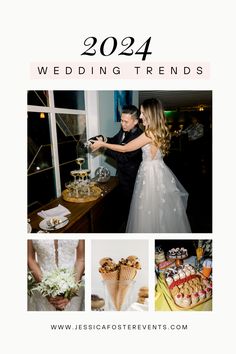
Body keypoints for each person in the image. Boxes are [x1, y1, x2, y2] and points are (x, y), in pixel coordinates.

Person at [91, 98, 191, 233]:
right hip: (157, 169)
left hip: (150, 174)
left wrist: (102, 144)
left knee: (147, 209)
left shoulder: (149, 133)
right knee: (158, 208)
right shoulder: (159, 130)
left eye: (143, 113)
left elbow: (125, 148)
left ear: (151, 114)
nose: (141, 116)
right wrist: (105, 139)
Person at [91, 105, 143, 228]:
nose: (123, 124)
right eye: (121, 120)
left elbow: (123, 157)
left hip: (131, 179)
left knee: (130, 210)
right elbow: (114, 140)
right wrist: (104, 138)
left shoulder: (139, 136)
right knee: (121, 207)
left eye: (126, 121)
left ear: (135, 121)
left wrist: (102, 146)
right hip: (121, 176)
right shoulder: (123, 130)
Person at [28, 239, 85, 311]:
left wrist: (72, 292)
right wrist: (46, 291)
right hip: (41, 283)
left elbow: (81, 259)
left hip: (73, 283)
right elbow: (30, 259)